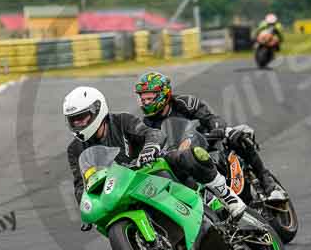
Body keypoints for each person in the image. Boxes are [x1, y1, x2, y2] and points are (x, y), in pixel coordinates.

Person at [63, 86, 248, 225]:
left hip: (149, 169)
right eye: (73, 120)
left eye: (82, 118)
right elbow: (81, 185)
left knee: (187, 155)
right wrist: (87, 206)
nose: (78, 124)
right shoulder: (74, 149)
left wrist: (150, 149)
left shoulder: (121, 121)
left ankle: (227, 196)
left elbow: (152, 133)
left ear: (97, 110)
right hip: (119, 191)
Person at [134, 72, 287, 201]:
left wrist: (218, 129)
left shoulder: (185, 103)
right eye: (143, 98)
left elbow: (209, 118)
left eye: (150, 98)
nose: (145, 102)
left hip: (207, 141)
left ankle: (268, 184)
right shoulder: (147, 124)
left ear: (164, 95)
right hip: (181, 157)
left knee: (239, 138)